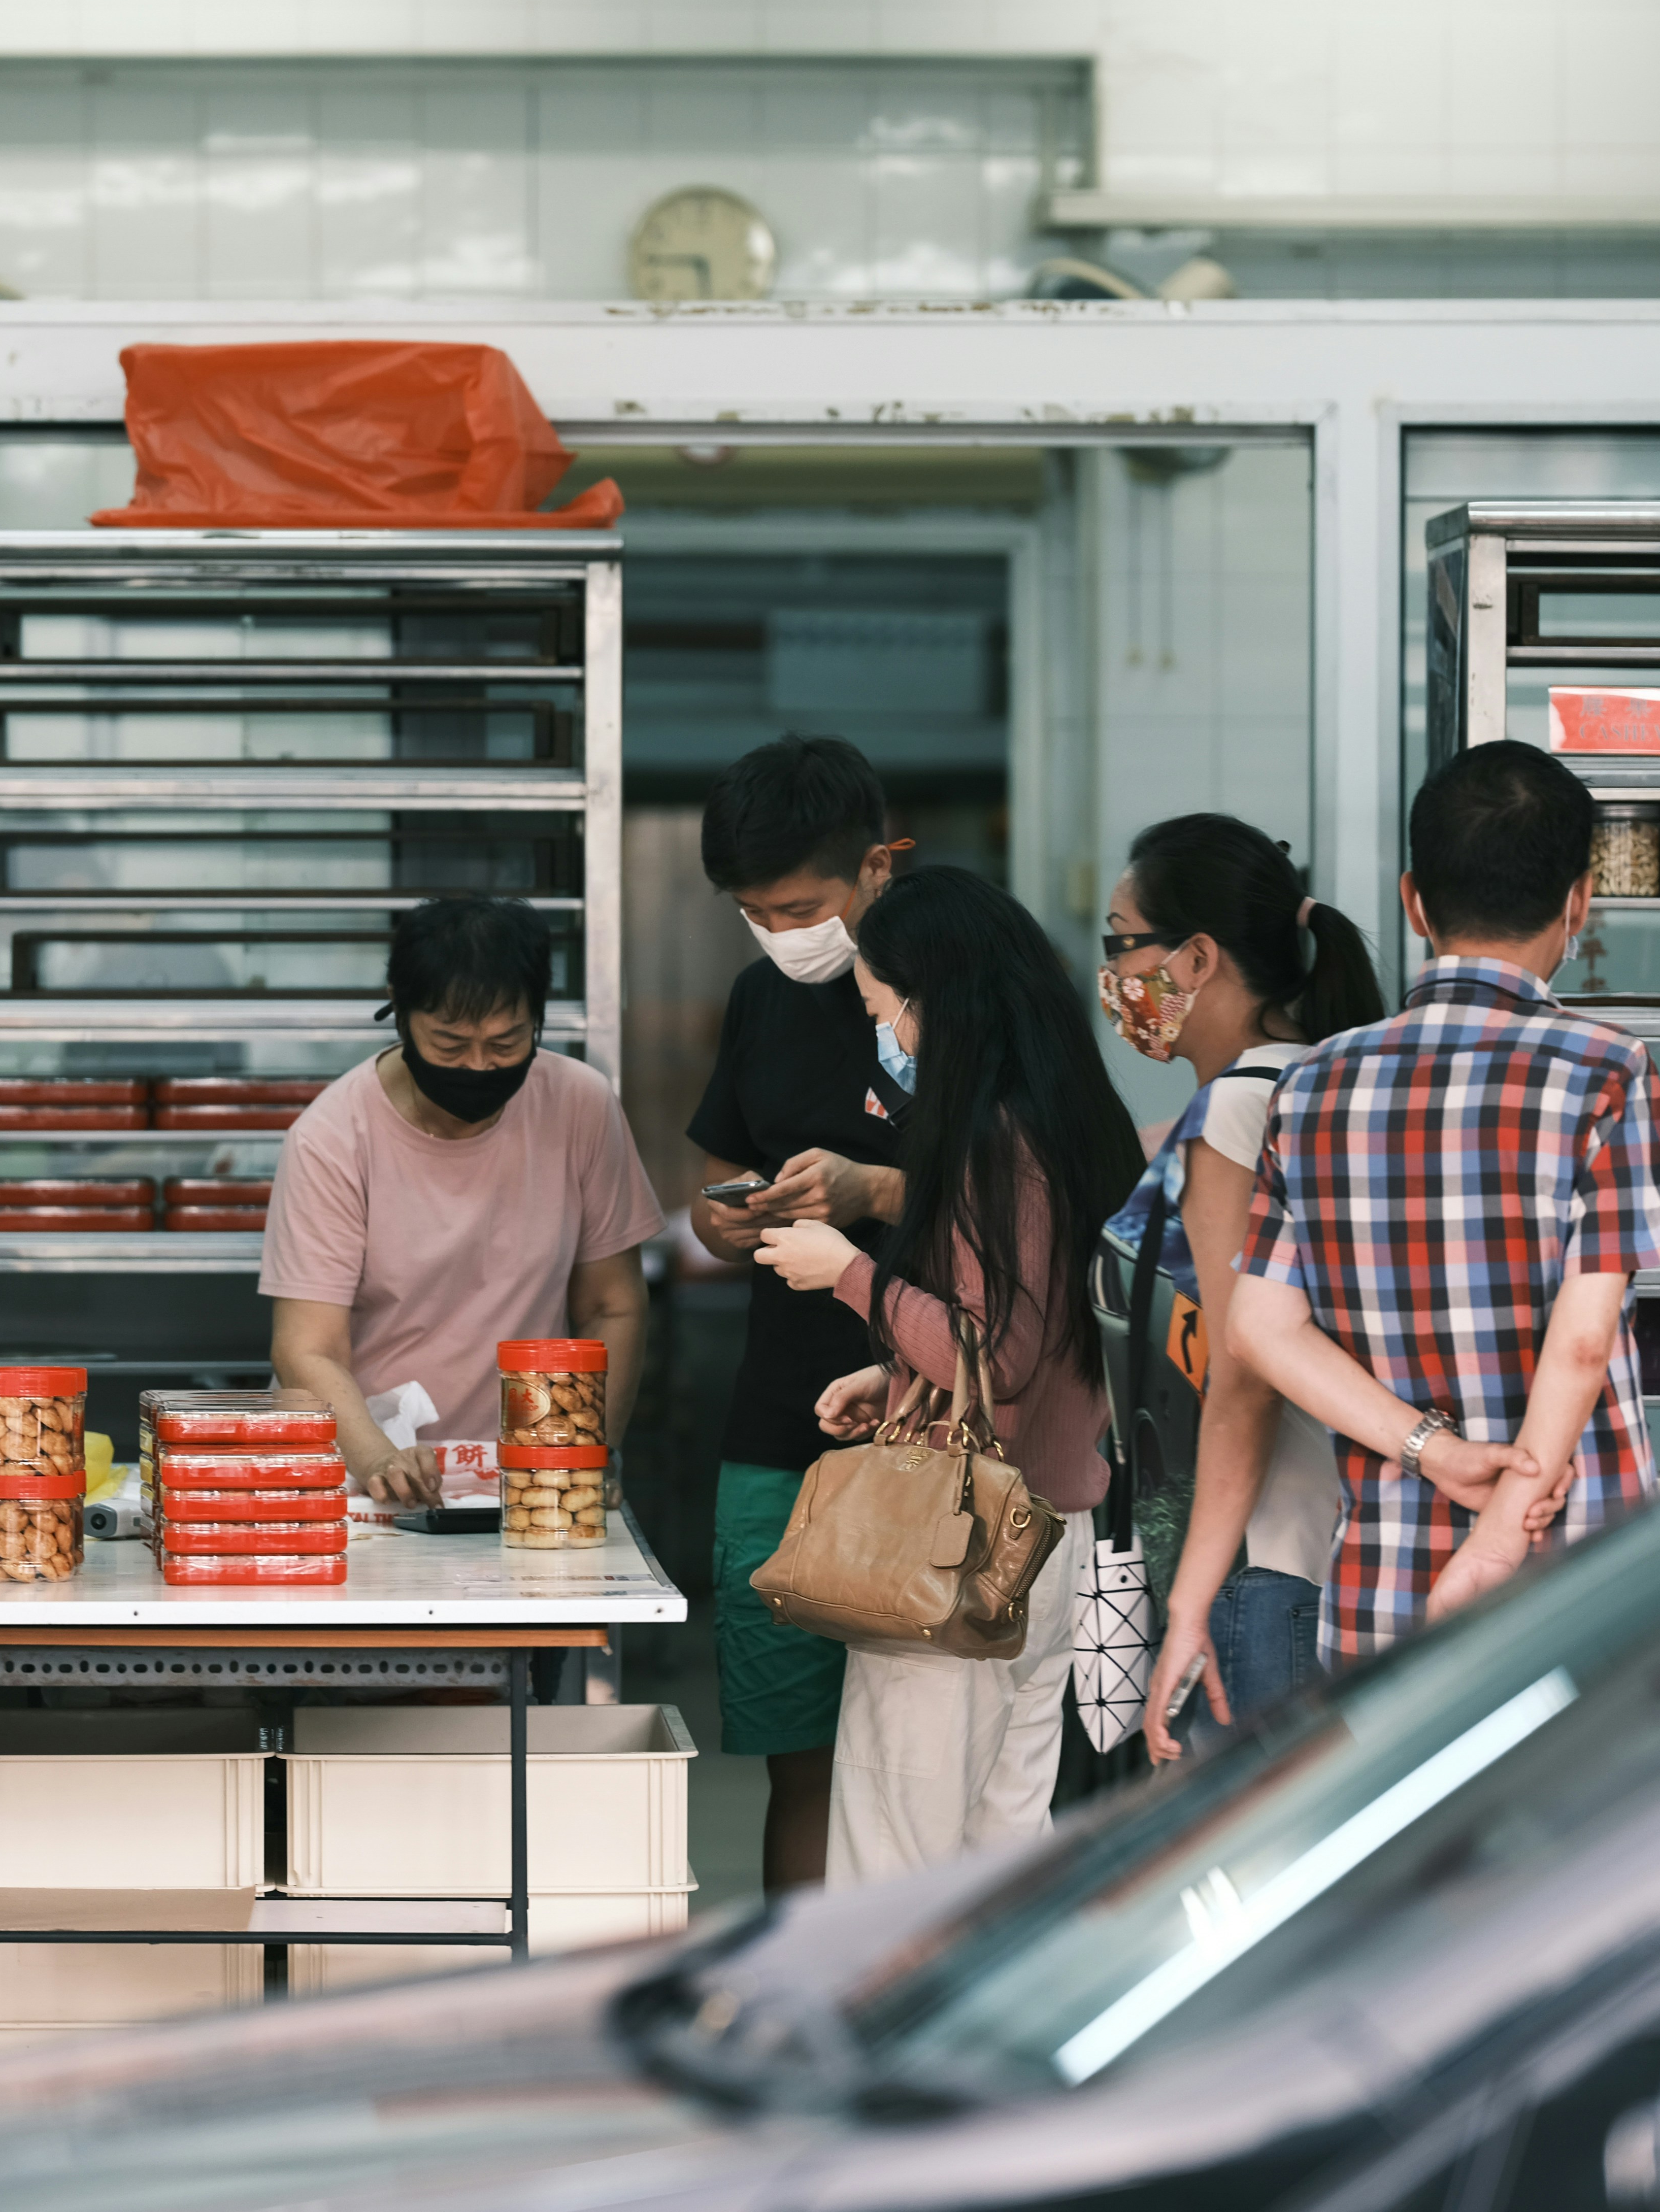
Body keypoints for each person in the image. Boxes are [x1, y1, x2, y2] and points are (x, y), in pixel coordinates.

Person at [1228, 741, 1660, 1660]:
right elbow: (1586, 1337)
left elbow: (1262, 1328)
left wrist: (1433, 1452)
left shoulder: (1315, 1084)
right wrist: (1497, 1539)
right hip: (1573, 1582)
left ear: (1414, 900)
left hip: (1382, 1583)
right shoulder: (1605, 1070)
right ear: (1579, 903)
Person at [753, 867, 1132, 1882]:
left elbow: (996, 1355)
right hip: (1048, 1539)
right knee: (1006, 1857)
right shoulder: (1066, 1121)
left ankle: (879, 2041)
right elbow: (1036, 1341)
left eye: (884, 1009)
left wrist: (851, 1276)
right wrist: (900, 1381)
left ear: (938, 1002)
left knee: (895, 1863)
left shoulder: (989, 1143)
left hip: (958, 1548)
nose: (885, 1036)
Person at [1095, 817, 1389, 1768]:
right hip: (1319, 1542)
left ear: (1195, 958)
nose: (1115, 978)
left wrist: (1195, 1587)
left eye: (1120, 942)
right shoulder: (1317, 1079)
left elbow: (1243, 1368)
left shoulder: (1237, 1106)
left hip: (1256, 1556)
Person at [682, 733, 912, 1891]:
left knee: (925, 1764)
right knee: (798, 1757)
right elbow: (719, 1168)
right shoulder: (759, 997)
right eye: (753, 911)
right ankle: (792, 1996)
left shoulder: (960, 987)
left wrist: (877, 1190)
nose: (778, 931)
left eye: (798, 905)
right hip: (780, 1422)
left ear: (880, 865)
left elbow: (1038, 1194)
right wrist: (719, 1218)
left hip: (935, 1431)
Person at [263, 896, 660, 1504]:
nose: (479, 1066)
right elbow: (307, 1347)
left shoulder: (580, 1106)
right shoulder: (334, 1137)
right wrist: (380, 1459)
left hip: (527, 1472)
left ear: (540, 1016)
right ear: (399, 1007)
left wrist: (589, 1449)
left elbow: (613, 1306)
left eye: (506, 1043)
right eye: (449, 1044)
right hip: (362, 1466)